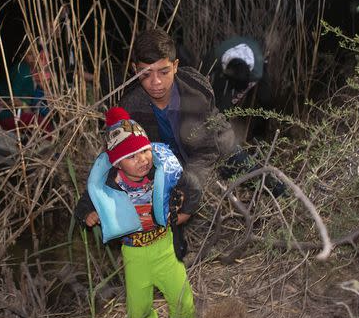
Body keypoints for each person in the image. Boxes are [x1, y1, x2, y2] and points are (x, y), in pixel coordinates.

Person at [74, 107, 200, 318]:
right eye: (133, 156)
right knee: (138, 301)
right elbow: (84, 204)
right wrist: (87, 215)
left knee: (180, 292)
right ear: (118, 163)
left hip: (164, 245)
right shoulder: (108, 184)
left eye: (145, 151)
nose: (142, 159)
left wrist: (186, 210)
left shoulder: (161, 173)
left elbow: (192, 187)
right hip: (134, 252)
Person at [119, 28, 285, 198]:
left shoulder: (196, 91)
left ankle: (285, 195)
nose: (156, 82)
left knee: (248, 170)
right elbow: (123, 157)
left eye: (163, 72)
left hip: (216, 144)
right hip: (174, 156)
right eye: (146, 73)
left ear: (175, 66)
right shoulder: (131, 106)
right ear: (135, 69)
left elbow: (207, 150)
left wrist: (189, 188)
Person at [202, 35, 266, 113]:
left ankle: (221, 116)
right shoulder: (215, 54)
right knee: (216, 86)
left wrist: (237, 96)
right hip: (222, 61)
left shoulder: (257, 72)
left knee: (229, 101)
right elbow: (202, 75)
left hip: (245, 69)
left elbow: (240, 91)